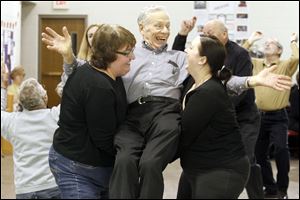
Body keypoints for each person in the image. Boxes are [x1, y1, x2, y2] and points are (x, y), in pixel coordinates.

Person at [48, 24, 136, 199]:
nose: (132, 57)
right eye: (127, 53)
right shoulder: (98, 86)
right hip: (77, 167)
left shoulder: (111, 75)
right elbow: (104, 139)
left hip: (97, 166)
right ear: (109, 54)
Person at [178, 35, 250, 199]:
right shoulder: (194, 83)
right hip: (196, 166)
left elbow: (185, 134)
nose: (186, 50)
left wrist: (151, 160)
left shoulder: (208, 93)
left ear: (202, 60)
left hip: (221, 169)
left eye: (191, 48)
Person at [244, 31, 299, 199]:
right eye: (266, 43)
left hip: (278, 117)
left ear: (279, 51)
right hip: (259, 116)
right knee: (259, 154)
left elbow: (296, 57)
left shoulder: (284, 65)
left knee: (281, 150)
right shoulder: (257, 63)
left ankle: (282, 188)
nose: (267, 43)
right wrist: (251, 40)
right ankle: (270, 187)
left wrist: (292, 41)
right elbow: (240, 55)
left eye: (272, 43)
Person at [1, 66, 61, 199]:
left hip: (24, 189)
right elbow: (73, 102)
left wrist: (2, 86)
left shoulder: (12, 122)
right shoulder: (54, 116)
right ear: (44, 98)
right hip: (51, 186)